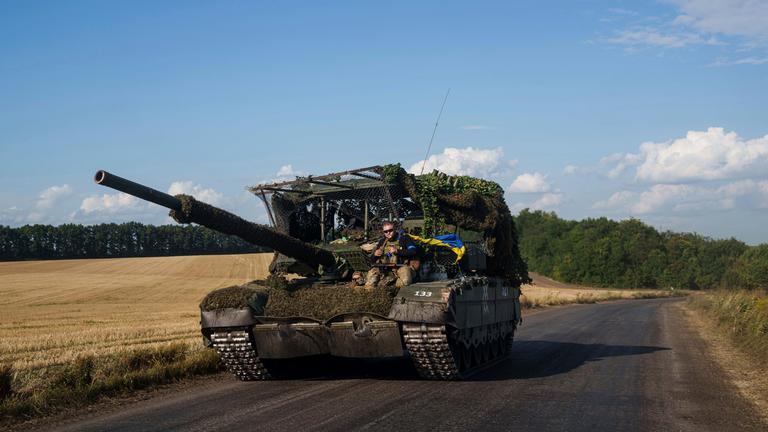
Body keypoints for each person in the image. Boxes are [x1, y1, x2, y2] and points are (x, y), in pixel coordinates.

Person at [364, 221, 420, 289]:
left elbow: (413, 251)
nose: (388, 233)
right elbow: (372, 260)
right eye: (386, 231)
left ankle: (395, 290)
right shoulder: (382, 242)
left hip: (401, 268)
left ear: (394, 229)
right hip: (385, 270)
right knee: (371, 278)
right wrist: (375, 255)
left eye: (390, 230)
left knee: (405, 280)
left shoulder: (404, 238)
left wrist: (397, 251)